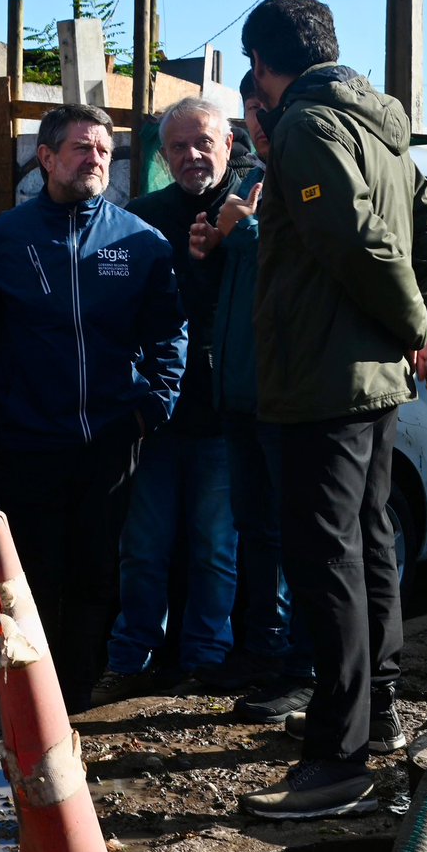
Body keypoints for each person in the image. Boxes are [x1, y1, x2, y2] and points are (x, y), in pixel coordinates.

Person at [236, 0, 427, 820]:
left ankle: (335, 761)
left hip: (321, 385)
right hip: (369, 387)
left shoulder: (304, 125)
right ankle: (379, 717)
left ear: (264, 65)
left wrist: (417, 328)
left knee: (326, 561)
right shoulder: (382, 128)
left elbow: (357, 240)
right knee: (368, 549)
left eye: (253, 76)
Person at [0, 103, 186, 715]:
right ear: (47, 159)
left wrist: (155, 404)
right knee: (33, 580)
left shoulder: (138, 241)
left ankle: (75, 700)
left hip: (110, 438)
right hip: (28, 441)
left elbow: (169, 332)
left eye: (104, 150)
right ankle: (31, 699)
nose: (95, 159)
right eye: (81, 148)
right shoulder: (6, 239)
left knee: (97, 575)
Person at [92, 97, 239, 702]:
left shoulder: (254, 213)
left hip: (226, 412)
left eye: (202, 142)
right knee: (143, 549)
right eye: (176, 146)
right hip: (154, 417)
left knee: (214, 550)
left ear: (228, 145)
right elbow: (111, 309)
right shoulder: (142, 218)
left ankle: (206, 658)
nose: (191, 155)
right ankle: (130, 660)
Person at [188, 74, 315, 715]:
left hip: (288, 391)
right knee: (255, 532)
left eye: (267, 106)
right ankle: (261, 654)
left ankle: (301, 667)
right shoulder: (247, 178)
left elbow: (312, 263)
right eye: (252, 110)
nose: (260, 120)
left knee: (295, 537)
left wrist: (246, 231)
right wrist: (216, 240)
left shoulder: (307, 173)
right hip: (239, 388)